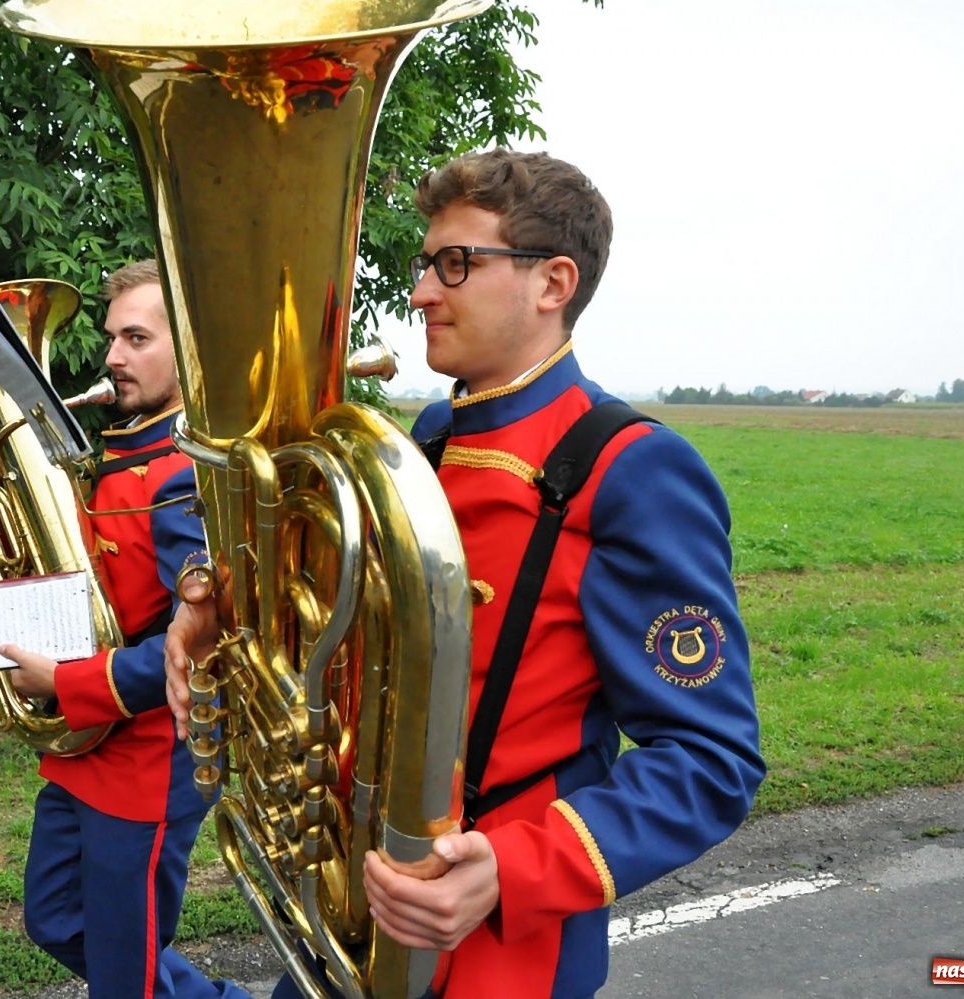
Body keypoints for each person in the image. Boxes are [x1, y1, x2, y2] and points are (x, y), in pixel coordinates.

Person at [165, 149, 766, 999]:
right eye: (426, 263)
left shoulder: (631, 468)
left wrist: (512, 869)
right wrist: (218, 604)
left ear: (552, 282)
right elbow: (343, 611)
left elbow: (710, 758)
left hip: (492, 945)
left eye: (457, 263)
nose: (419, 292)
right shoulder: (433, 432)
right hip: (348, 891)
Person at [0, 260, 249, 999]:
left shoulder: (183, 477)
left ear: (191, 353)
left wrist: (66, 682)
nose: (112, 355)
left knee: (122, 969)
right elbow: (76, 568)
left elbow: (201, 654)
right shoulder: (115, 453)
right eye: (113, 336)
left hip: (147, 759)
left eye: (136, 338)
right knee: (53, 920)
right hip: (87, 748)